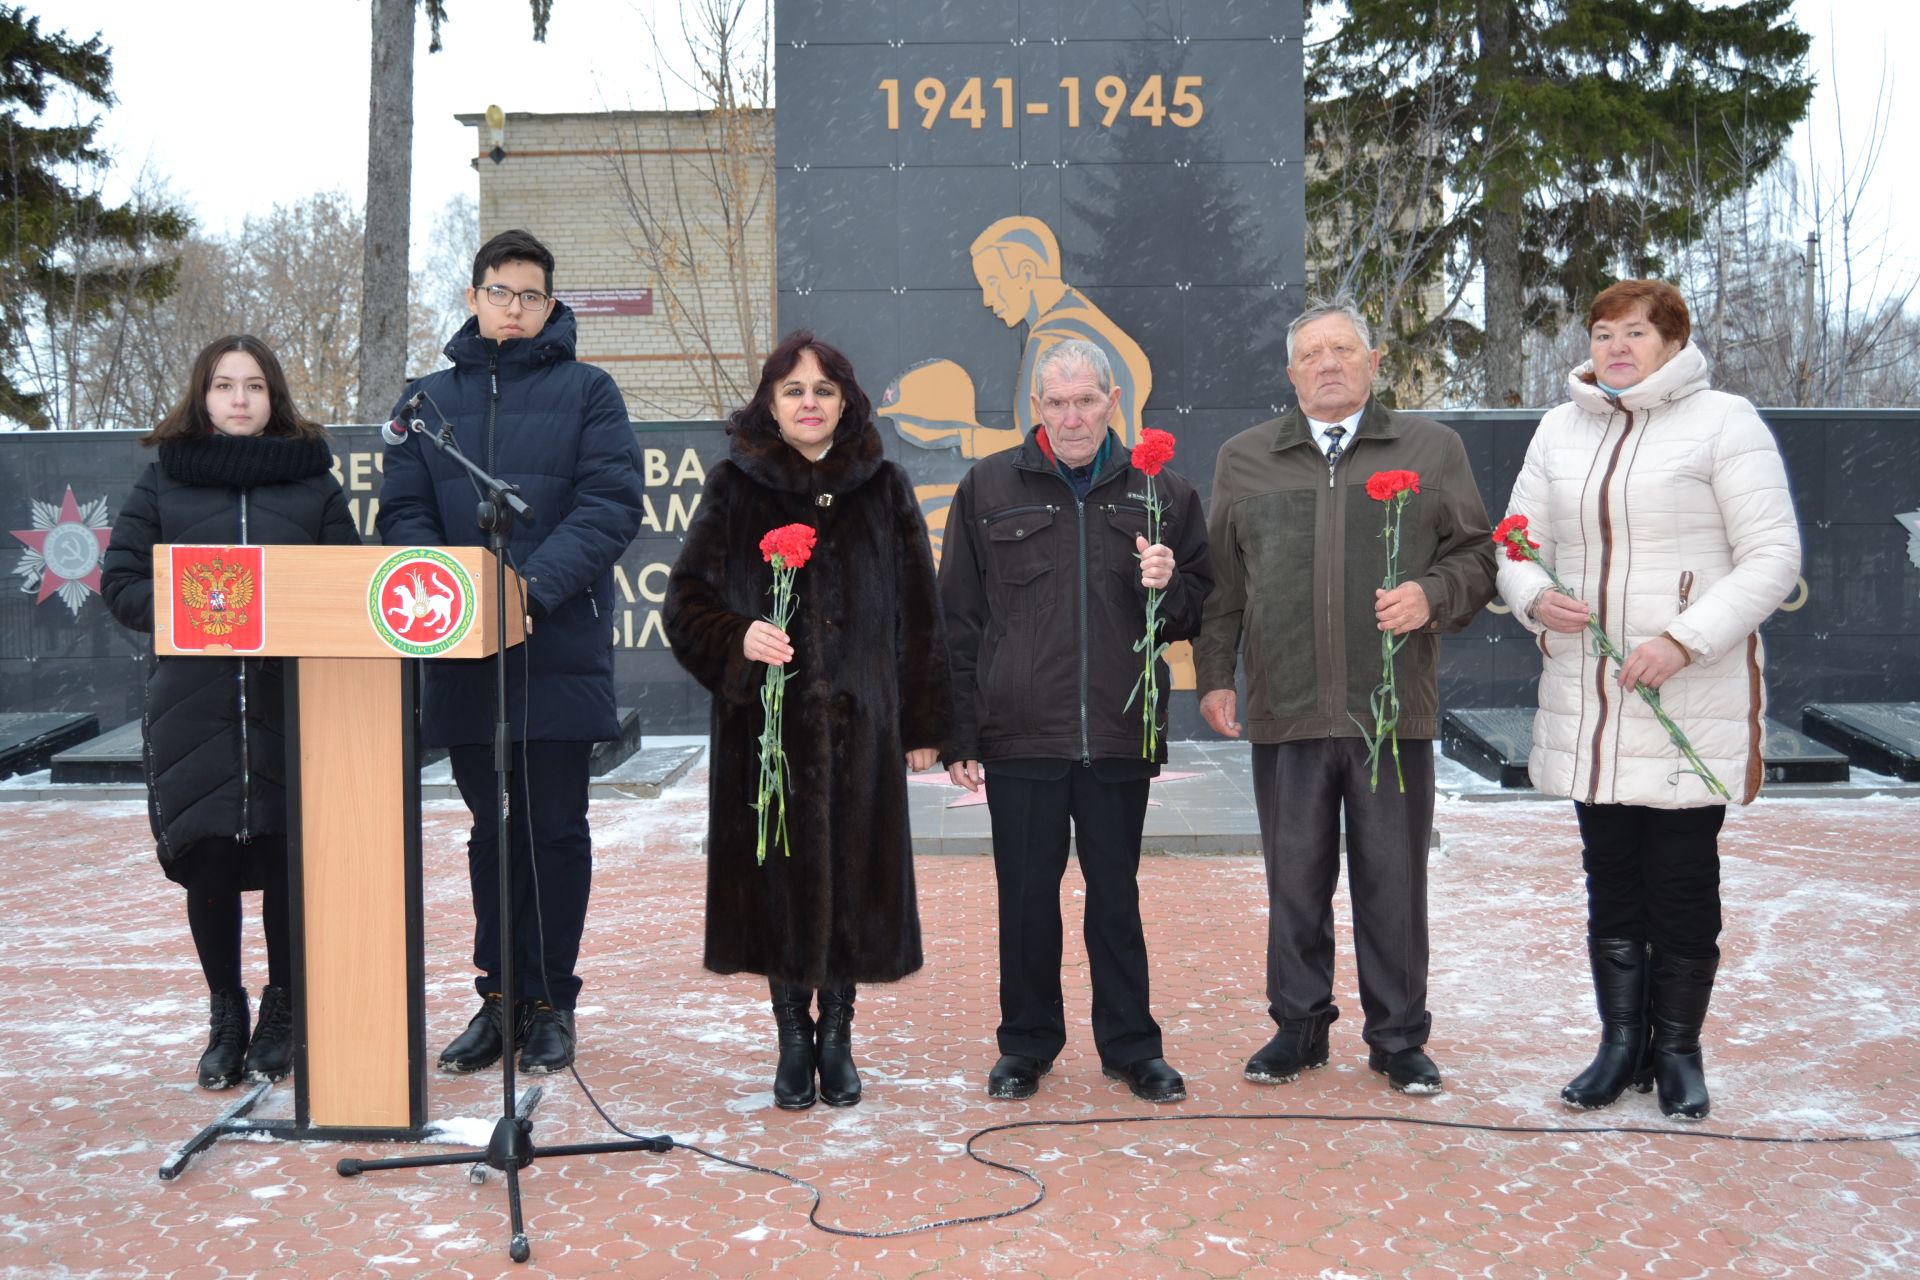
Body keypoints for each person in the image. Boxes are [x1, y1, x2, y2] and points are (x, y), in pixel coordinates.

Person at [1497, 279, 1800, 1120]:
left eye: (1634, 333)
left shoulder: (1725, 422)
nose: (1615, 348)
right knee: (1610, 877)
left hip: (1684, 690)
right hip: (1591, 693)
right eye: (1602, 333)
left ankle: (1678, 1051)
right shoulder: (1561, 428)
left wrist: (1684, 640)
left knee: (1681, 881)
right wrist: (1531, 595)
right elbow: (1515, 542)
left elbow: (1772, 556)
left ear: (1672, 343)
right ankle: (1619, 1044)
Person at [1195, 301, 1496, 1095]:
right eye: (1311, 354)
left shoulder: (1433, 449)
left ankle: (1398, 1039)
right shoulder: (1245, 458)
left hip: (1389, 710)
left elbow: (1477, 555)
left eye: (1343, 349)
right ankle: (1297, 1028)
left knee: (1392, 882)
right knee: (1293, 880)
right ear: (1291, 374)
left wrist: (1431, 594)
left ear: (1372, 361)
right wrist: (1217, 675)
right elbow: (1222, 585)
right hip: (1286, 706)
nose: (1328, 364)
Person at [377, 229, 644, 1077]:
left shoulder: (590, 392)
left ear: (551, 304)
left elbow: (609, 505)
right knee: (491, 831)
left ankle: (550, 1003)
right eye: (501, 292)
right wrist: (457, 595)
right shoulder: (428, 403)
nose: (516, 308)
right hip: (462, 656)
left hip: (552, 644)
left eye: (532, 296)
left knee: (553, 830)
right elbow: (405, 511)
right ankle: (498, 999)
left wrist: (525, 591)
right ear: (473, 297)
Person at [663, 331, 950, 1110]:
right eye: (793, 390)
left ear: (847, 401)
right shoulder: (733, 486)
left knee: (856, 875)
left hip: (864, 728)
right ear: (771, 403)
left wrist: (925, 722)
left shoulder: (883, 486)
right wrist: (739, 639)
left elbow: (921, 615)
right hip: (767, 735)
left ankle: (839, 1035)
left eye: (824, 390)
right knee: (779, 878)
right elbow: (685, 605)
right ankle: (793, 1037)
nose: (810, 403)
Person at [940, 338, 1212, 1105]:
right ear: (1034, 408)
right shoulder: (988, 487)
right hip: (1020, 732)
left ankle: (1131, 1047)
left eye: (1086, 400)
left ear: (1113, 403)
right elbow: (956, 621)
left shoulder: (1162, 492)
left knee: (1115, 898)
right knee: (1026, 900)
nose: (1071, 417)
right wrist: (960, 733)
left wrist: (1168, 585)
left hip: (1119, 732)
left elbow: (1199, 604)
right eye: (1055, 402)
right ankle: (1026, 1045)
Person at [100, 335, 361, 1090]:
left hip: (292, 704)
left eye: (253, 385)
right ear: (202, 396)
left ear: (274, 396)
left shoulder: (315, 485)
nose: (239, 399)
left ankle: (284, 1011)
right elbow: (123, 582)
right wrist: (197, 611)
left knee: (285, 860)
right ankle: (226, 1015)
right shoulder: (163, 483)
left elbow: (346, 583)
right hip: (195, 706)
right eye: (223, 385)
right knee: (208, 859)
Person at [970, 216, 1153, 447]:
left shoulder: (1051, 340)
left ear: (1027, 273)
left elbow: (1032, 445)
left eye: (993, 283)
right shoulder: (1097, 328)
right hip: (1120, 477)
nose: (987, 299)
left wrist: (963, 438)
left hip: (1078, 480)